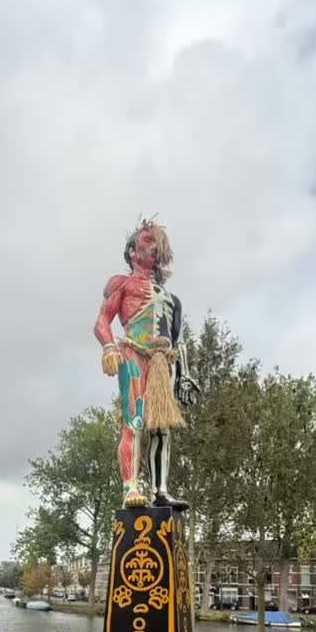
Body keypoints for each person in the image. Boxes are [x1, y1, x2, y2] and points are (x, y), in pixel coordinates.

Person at [94, 217, 199, 508]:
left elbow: (177, 343)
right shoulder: (121, 284)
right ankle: (131, 488)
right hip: (133, 355)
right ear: (132, 250)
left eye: (157, 243)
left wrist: (183, 376)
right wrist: (108, 347)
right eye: (146, 240)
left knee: (162, 428)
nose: (152, 247)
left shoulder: (173, 300)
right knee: (135, 422)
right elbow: (102, 321)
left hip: (162, 363)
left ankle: (160, 491)